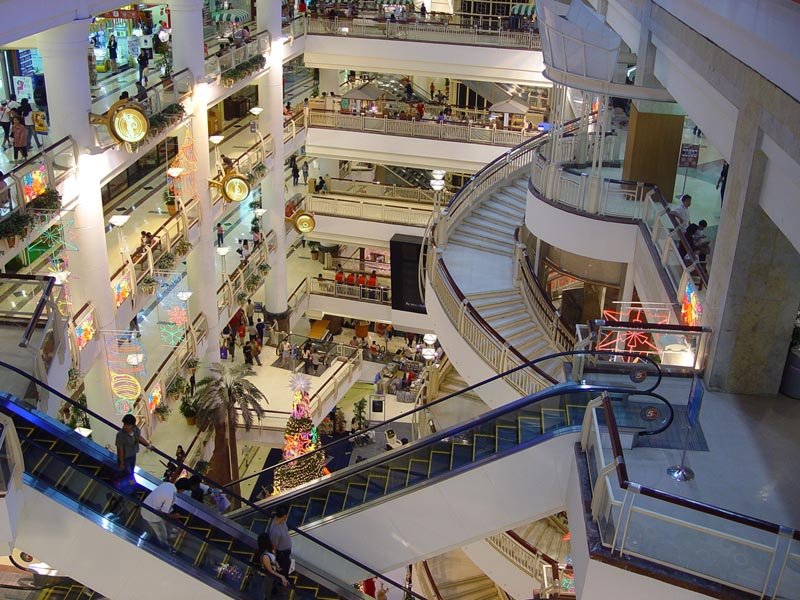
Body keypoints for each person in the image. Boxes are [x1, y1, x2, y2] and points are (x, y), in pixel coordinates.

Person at [141, 478, 191, 547]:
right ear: (182, 489)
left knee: (162, 527)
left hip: (144, 507)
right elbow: (165, 514)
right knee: (162, 535)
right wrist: (175, 516)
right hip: (151, 515)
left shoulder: (166, 484)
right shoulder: (172, 496)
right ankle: (163, 549)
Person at [257, 533, 288, 598]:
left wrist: (277, 565)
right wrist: (281, 576)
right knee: (265, 595)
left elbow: (273, 560)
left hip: (271, 578)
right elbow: (270, 570)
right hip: (266, 579)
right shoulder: (265, 556)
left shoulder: (270, 551)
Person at [267, 506, 293, 585]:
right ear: (284, 516)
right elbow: (274, 546)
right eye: (286, 515)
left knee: (286, 565)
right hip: (282, 553)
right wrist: (274, 560)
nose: (287, 516)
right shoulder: (275, 531)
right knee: (283, 569)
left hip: (286, 550)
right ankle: (282, 583)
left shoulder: (282, 521)